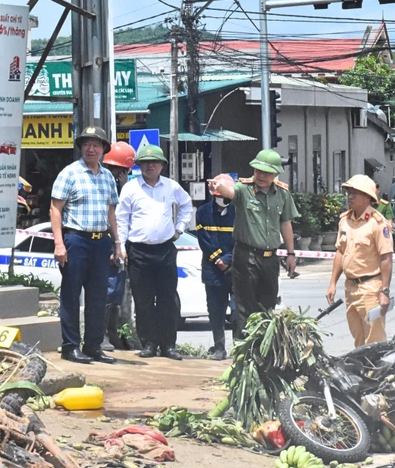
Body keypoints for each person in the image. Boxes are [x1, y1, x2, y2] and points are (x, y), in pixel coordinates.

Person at [207, 149, 298, 337]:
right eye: (258, 171)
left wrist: (290, 254)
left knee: (267, 307)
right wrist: (219, 186)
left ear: (276, 174)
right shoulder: (244, 189)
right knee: (245, 309)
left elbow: (286, 223)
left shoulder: (282, 193)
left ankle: (262, 354)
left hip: (270, 259)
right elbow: (230, 192)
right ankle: (244, 353)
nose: (261, 175)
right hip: (246, 256)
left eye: (266, 172)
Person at [50, 126, 120, 364]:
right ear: (81, 147)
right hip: (76, 240)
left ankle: (93, 346)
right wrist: (59, 244)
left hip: (101, 242)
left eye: (96, 145)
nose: (91, 149)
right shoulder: (69, 173)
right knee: (71, 295)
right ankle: (70, 346)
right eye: (87, 144)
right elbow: (55, 209)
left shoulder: (108, 177)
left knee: (99, 296)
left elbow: (111, 212)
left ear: (103, 150)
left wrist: (117, 244)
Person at [116, 144, 192, 360]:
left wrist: (180, 229)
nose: (150, 166)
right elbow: (122, 218)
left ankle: (169, 345)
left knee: (167, 299)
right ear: (139, 166)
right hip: (138, 251)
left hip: (165, 250)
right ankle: (149, 343)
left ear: (162, 165)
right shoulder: (130, 188)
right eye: (146, 163)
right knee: (143, 300)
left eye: (155, 162)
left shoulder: (171, 186)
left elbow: (186, 205)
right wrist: (120, 246)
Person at [326, 175, 393, 347]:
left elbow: (386, 258)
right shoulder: (345, 220)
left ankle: (376, 373)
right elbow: (340, 252)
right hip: (351, 287)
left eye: (356, 193)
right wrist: (332, 283)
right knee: (358, 338)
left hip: (371, 287)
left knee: (374, 339)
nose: (350, 197)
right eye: (349, 192)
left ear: (368, 197)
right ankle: (362, 372)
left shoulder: (377, 223)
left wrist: (384, 291)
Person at [196, 174, 236, 360]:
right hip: (213, 269)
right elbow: (204, 240)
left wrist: (228, 258)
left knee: (238, 312)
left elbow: (241, 239)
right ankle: (219, 347)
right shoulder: (203, 212)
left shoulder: (238, 211)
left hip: (235, 268)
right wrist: (217, 259)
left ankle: (240, 349)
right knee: (216, 311)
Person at [101, 141, 136, 351]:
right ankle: (103, 334)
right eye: (119, 171)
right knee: (107, 290)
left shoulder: (125, 189)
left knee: (117, 290)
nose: (120, 175)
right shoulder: (105, 185)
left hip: (121, 244)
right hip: (107, 243)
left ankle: (113, 332)